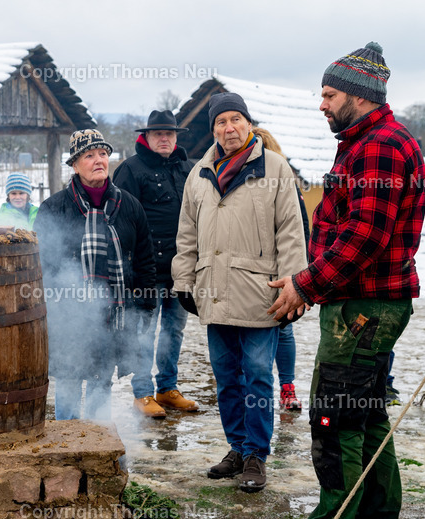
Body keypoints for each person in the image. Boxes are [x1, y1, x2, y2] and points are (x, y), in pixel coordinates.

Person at [261, 42, 425, 519]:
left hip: (364, 308)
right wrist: (310, 281)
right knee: (369, 416)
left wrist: (305, 287)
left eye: (329, 94)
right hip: (368, 303)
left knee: (334, 423)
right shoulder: (364, 142)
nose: (322, 104)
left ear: (359, 95)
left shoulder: (379, 146)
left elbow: (364, 238)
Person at [172, 93, 307, 493]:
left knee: (259, 376)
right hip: (213, 291)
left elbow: (291, 233)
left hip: (260, 292)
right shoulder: (199, 173)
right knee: (226, 377)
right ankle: (235, 447)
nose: (229, 128)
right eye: (221, 123)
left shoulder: (275, 168)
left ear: (248, 123)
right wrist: (184, 281)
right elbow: (187, 234)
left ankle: (255, 456)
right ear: (212, 129)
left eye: (236, 120)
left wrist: (294, 286)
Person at [33, 129, 156, 422]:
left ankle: (97, 444)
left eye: (103, 154)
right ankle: (66, 451)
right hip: (70, 317)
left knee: (102, 381)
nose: (99, 160)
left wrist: (146, 304)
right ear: (75, 165)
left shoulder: (129, 205)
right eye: (89, 155)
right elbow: (42, 266)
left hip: (113, 313)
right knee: (69, 381)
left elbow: (144, 259)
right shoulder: (55, 208)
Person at [113, 110, 199, 418]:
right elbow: (121, 223)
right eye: (158, 134)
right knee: (144, 333)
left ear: (176, 137)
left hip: (181, 269)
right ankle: (142, 393)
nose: (165, 138)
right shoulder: (130, 170)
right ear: (146, 137)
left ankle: (167, 388)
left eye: (170, 133)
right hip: (145, 271)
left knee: (173, 332)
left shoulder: (189, 170)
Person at [254, 126, 309, 413]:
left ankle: (287, 388)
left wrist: (300, 274)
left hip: (280, 271)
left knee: (283, 330)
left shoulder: (284, 182)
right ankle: (253, 390)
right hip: (249, 272)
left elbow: (301, 229)